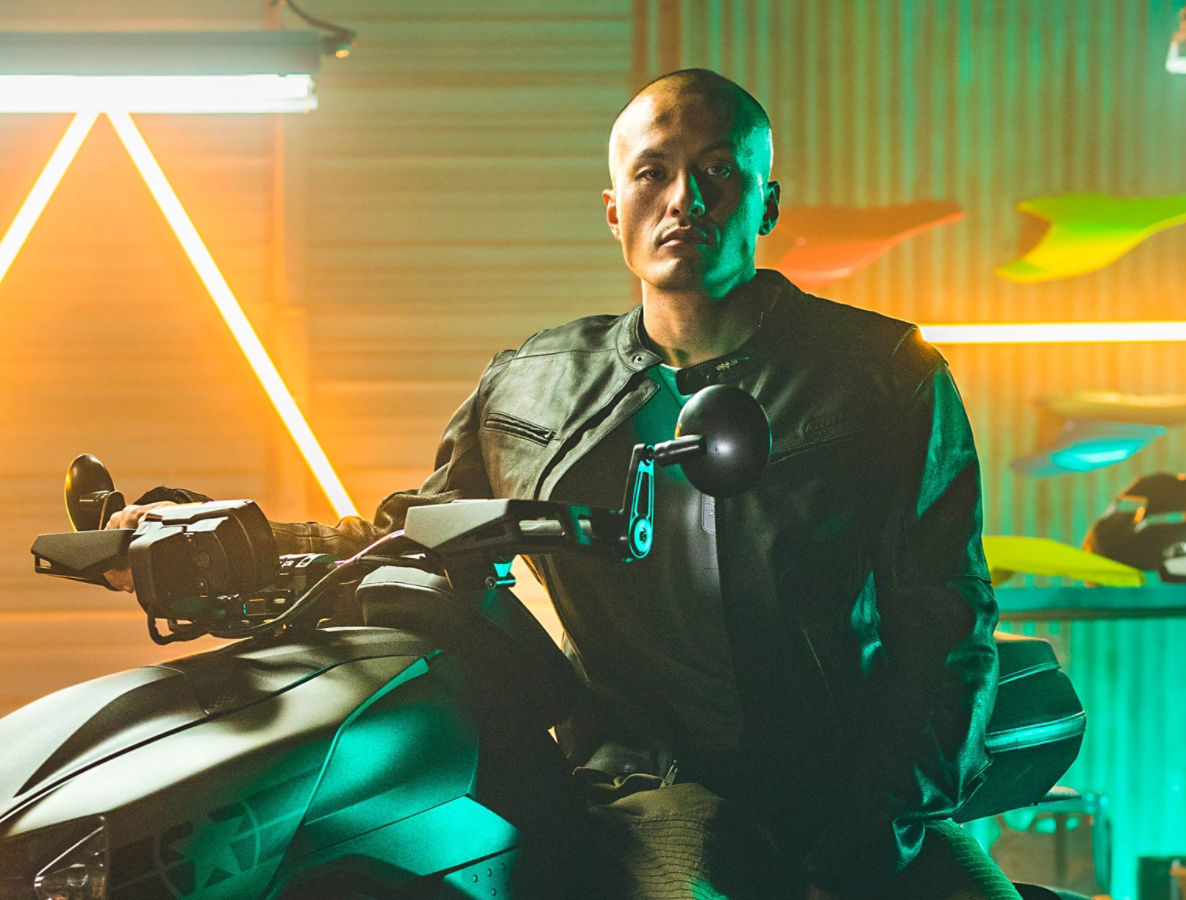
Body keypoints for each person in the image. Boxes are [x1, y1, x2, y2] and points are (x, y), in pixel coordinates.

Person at [110, 69, 1009, 899]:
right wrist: (225, 539)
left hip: (850, 772)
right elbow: (415, 539)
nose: (683, 200)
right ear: (612, 209)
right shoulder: (533, 385)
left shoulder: (881, 372)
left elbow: (947, 624)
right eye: (653, 174)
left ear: (765, 203)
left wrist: (877, 829)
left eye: (717, 173)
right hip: (654, 779)